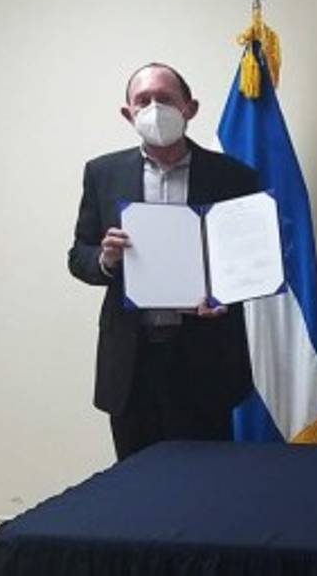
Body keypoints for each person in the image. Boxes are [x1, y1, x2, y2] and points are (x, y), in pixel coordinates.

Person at [68, 62, 259, 460]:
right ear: (128, 113)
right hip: (132, 362)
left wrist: (225, 295)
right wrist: (105, 258)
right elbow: (78, 255)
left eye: (166, 99)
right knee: (137, 481)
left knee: (208, 480)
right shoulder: (103, 173)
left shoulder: (234, 176)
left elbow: (252, 259)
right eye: (143, 100)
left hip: (206, 358)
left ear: (190, 108)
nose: (154, 109)